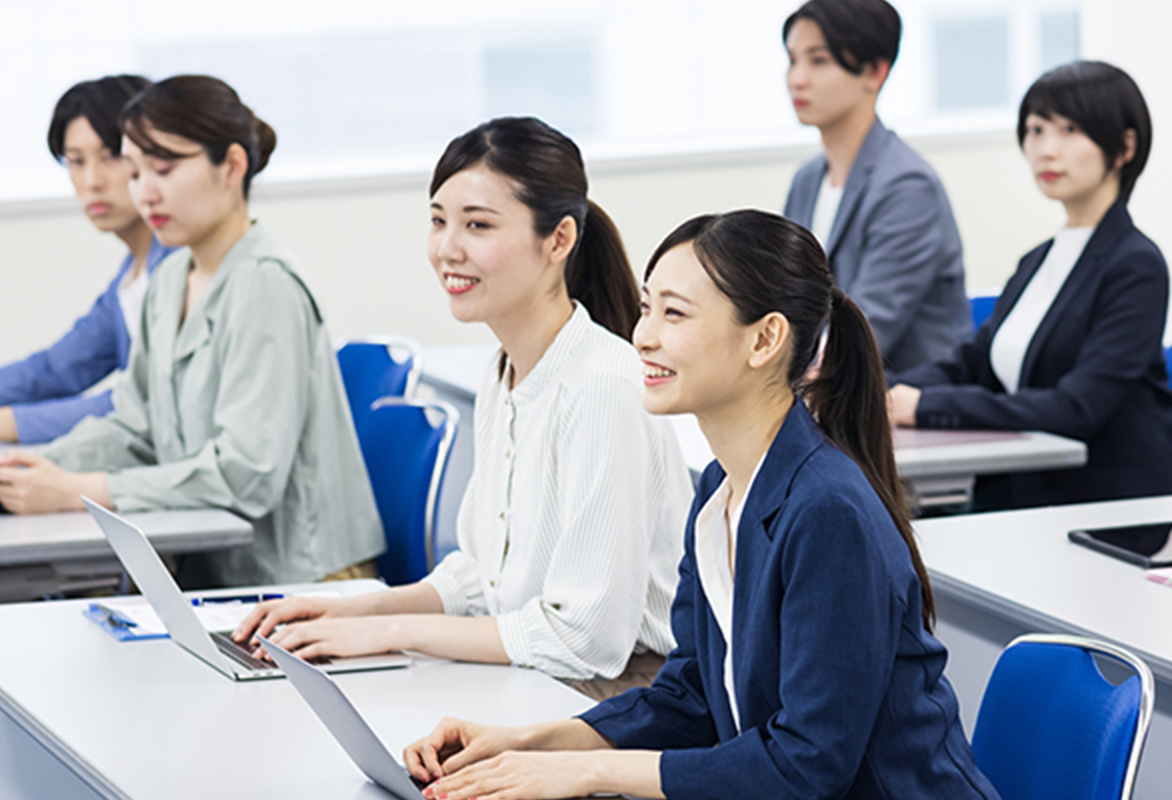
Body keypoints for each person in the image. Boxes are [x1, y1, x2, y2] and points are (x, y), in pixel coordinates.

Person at [398, 210, 1000, 800]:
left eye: (675, 314)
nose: (643, 336)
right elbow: (687, 696)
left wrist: (586, 773)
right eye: (645, 308)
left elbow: (807, 765)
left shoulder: (827, 511)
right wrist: (531, 744)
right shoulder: (722, 487)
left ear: (764, 338)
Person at [235, 117, 692, 695]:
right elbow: (482, 577)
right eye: (438, 221)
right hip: (541, 675)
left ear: (559, 240)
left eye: (477, 225)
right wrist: (351, 614)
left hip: (621, 692)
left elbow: (583, 640)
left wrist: (392, 633)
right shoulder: (503, 371)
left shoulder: (601, 386)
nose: (447, 249)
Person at [0, 75, 383, 588]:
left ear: (231, 166)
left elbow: (245, 474)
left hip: (307, 582)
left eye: (164, 168)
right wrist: (35, 470)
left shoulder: (265, 285)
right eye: (135, 172)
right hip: (222, 574)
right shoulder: (169, 280)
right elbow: (134, 426)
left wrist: (78, 489)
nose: (145, 192)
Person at [889, 61, 1172, 510]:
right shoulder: (1038, 260)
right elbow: (972, 364)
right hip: (1023, 490)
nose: (1045, 149)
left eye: (1069, 129)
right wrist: (880, 391)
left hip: (1103, 505)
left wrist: (925, 405)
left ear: (1124, 147)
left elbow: (1076, 407)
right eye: (1036, 129)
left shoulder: (1136, 264)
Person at [782, 0, 970, 372]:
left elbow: (864, 329)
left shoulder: (907, 187)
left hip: (899, 405)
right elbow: (785, 302)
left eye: (818, 61)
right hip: (825, 397)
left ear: (875, 72)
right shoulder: (807, 180)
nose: (797, 78)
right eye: (792, 59)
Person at [0, 76, 173, 445]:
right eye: (76, 161)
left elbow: (142, 404)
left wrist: (8, 423)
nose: (92, 181)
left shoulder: (181, 267)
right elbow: (55, 371)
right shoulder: (129, 279)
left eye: (110, 156)